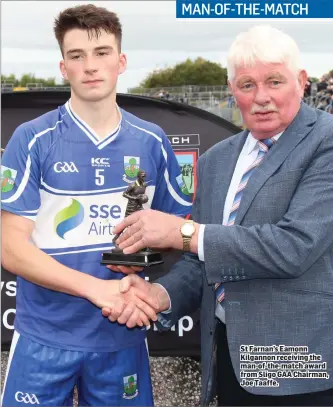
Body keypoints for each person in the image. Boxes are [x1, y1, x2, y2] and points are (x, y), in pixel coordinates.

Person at [103, 25, 333, 406]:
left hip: (302, 366)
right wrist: (159, 294)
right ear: (232, 90)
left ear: (302, 81)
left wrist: (183, 232)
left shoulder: (326, 141)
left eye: (274, 81)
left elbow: (294, 246)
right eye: (246, 85)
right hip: (229, 358)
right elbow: (202, 261)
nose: (261, 98)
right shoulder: (215, 161)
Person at [1, 4, 191, 407]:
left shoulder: (152, 141)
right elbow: (10, 249)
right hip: (45, 335)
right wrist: (98, 290)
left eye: (102, 52)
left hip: (120, 337)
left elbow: (177, 234)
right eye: (77, 55)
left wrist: (144, 262)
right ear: (62, 66)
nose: (90, 66)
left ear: (121, 61)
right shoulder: (32, 139)